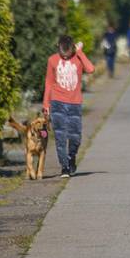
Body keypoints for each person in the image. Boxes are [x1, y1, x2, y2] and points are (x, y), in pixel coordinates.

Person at [43, 35, 95, 178]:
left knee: (75, 137)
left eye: (67, 52)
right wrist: (46, 104)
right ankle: (64, 167)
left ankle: (71, 157)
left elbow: (90, 69)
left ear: (72, 48)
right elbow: (48, 82)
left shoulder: (77, 57)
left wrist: (80, 52)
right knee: (60, 137)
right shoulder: (52, 60)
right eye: (62, 52)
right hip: (57, 102)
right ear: (58, 47)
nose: (64, 56)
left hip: (75, 103)